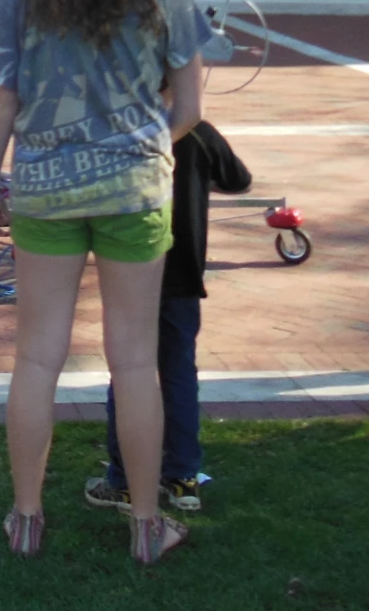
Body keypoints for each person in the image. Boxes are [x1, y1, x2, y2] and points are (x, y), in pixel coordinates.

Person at [0, 0, 208, 567]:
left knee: (36, 357)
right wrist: (143, 148)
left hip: (44, 185)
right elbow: (191, 108)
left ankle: (25, 517)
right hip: (134, 189)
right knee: (136, 360)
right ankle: (145, 525)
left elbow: (3, 98)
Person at [83, 120, 251, 517]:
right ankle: (182, 476)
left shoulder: (120, 129)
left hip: (133, 269)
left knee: (127, 373)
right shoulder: (199, 133)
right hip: (183, 272)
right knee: (179, 374)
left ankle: (123, 481)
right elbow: (238, 180)